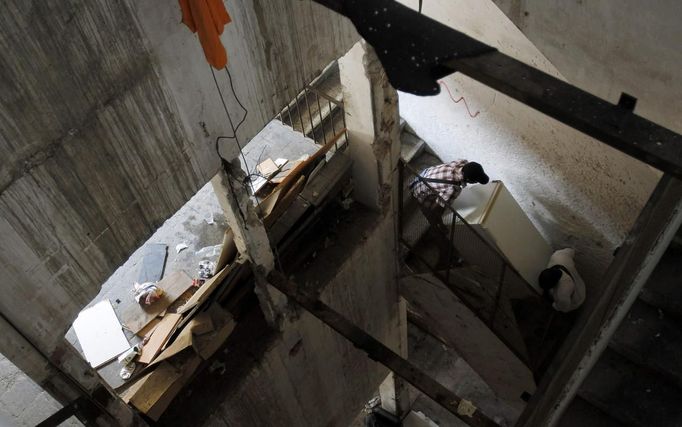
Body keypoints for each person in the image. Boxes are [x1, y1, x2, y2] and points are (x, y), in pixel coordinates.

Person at [410, 160, 489, 267]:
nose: (476, 183)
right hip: (419, 192)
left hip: (420, 177)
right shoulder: (453, 188)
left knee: (438, 220)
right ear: (469, 180)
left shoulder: (461, 163)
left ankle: (438, 230)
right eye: (476, 181)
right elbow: (435, 209)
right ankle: (445, 257)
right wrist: (437, 222)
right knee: (435, 224)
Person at [538, 248, 586, 312]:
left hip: (578, 299)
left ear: (554, 285)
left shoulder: (562, 294)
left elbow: (564, 308)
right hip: (580, 285)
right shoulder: (558, 256)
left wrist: (553, 305)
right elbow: (572, 251)